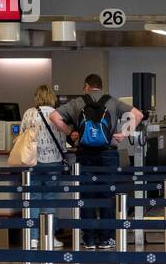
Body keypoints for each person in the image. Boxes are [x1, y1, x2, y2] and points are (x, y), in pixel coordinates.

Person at [47, 74, 143, 250]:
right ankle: (106, 239)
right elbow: (137, 115)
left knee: (87, 195)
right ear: (100, 87)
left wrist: (69, 132)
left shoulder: (77, 102)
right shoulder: (112, 101)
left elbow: (54, 116)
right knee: (107, 195)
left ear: (86, 86)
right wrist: (123, 134)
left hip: (85, 154)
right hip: (108, 154)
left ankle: (89, 239)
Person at [22, 84, 68, 248]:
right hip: (53, 162)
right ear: (51, 97)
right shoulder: (58, 114)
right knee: (50, 198)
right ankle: (49, 236)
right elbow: (63, 140)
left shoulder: (29, 113)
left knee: (33, 199)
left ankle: (33, 238)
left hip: (33, 161)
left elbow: (22, 137)